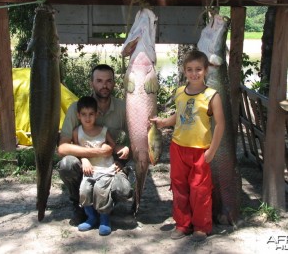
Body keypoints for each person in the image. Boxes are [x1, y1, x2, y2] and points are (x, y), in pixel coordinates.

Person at [151, 50, 225, 242]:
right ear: (184, 71)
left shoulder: (211, 95)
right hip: (178, 148)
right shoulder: (179, 92)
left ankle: (201, 227)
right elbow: (180, 115)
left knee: (200, 189)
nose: (194, 74)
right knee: (179, 187)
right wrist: (164, 122)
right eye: (190, 70)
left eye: (198, 69)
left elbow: (221, 124)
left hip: (201, 150)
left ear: (206, 70)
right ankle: (182, 224)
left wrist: (212, 151)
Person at [57, 64, 133, 226]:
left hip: (109, 164)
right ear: (91, 83)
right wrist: (94, 153)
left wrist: (123, 157)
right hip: (84, 162)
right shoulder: (77, 108)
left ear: (113, 83)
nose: (104, 85)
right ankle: (79, 204)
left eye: (108, 81)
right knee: (67, 164)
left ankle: (106, 206)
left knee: (123, 190)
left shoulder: (123, 108)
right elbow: (62, 147)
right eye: (99, 81)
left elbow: (136, 139)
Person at [73, 96, 115, 235]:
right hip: (89, 171)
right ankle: (91, 217)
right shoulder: (76, 132)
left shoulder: (103, 130)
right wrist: (84, 159)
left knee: (100, 192)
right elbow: (76, 149)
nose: (88, 118)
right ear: (78, 115)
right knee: (84, 191)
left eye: (91, 114)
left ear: (97, 114)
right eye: (84, 114)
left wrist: (106, 146)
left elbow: (112, 146)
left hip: (105, 169)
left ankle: (104, 218)